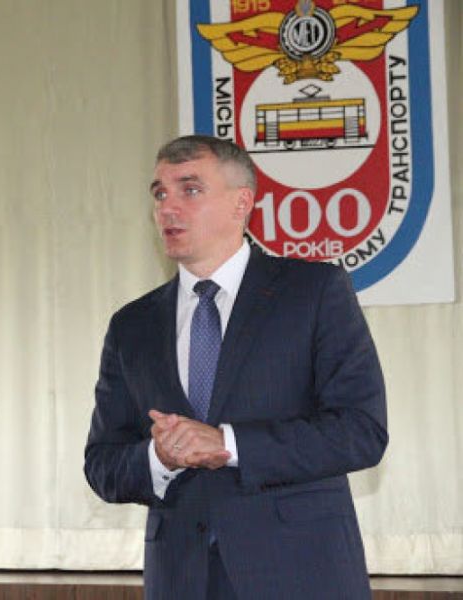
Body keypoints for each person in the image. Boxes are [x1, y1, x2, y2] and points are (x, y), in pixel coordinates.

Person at [84, 135, 387, 599]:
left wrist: (227, 444)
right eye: (160, 193)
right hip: (181, 579)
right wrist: (159, 457)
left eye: (190, 190)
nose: (167, 208)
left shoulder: (313, 291)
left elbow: (361, 431)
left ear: (241, 203)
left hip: (300, 574)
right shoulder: (132, 325)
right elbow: (102, 464)